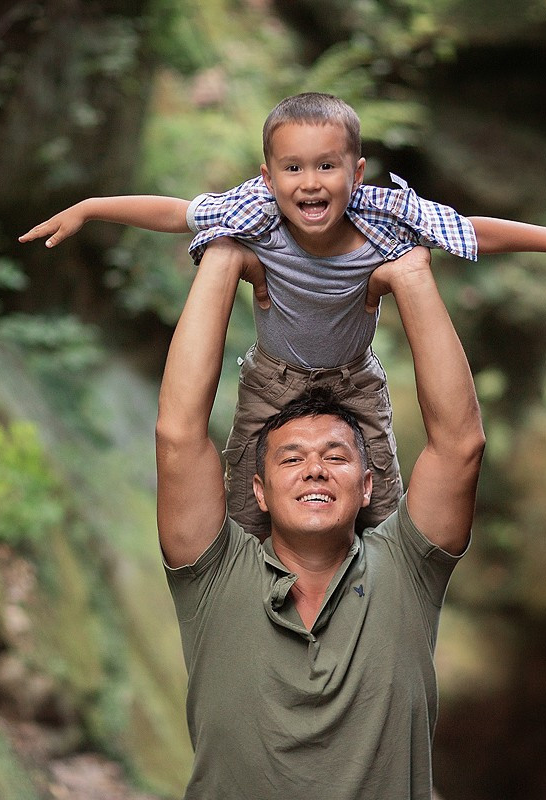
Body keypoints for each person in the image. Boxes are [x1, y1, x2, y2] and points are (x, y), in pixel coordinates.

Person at [22, 92, 546, 537]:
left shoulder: (383, 218)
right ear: (268, 176)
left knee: (382, 505)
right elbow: (174, 212)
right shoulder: (252, 213)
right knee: (247, 502)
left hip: (353, 383)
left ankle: (365, 592)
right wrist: (91, 207)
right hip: (273, 379)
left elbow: (466, 230)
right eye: (293, 168)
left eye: (326, 166)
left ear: (356, 172)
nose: (310, 183)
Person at [156, 238, 481, 799]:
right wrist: (223, 258)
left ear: (368, 485)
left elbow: (460, 444)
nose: (314, 470)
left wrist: (412, 278)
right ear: (256, 491)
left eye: (335, 457)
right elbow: (178, 436)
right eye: (290, 458)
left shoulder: (406, 569)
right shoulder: (214, 577)